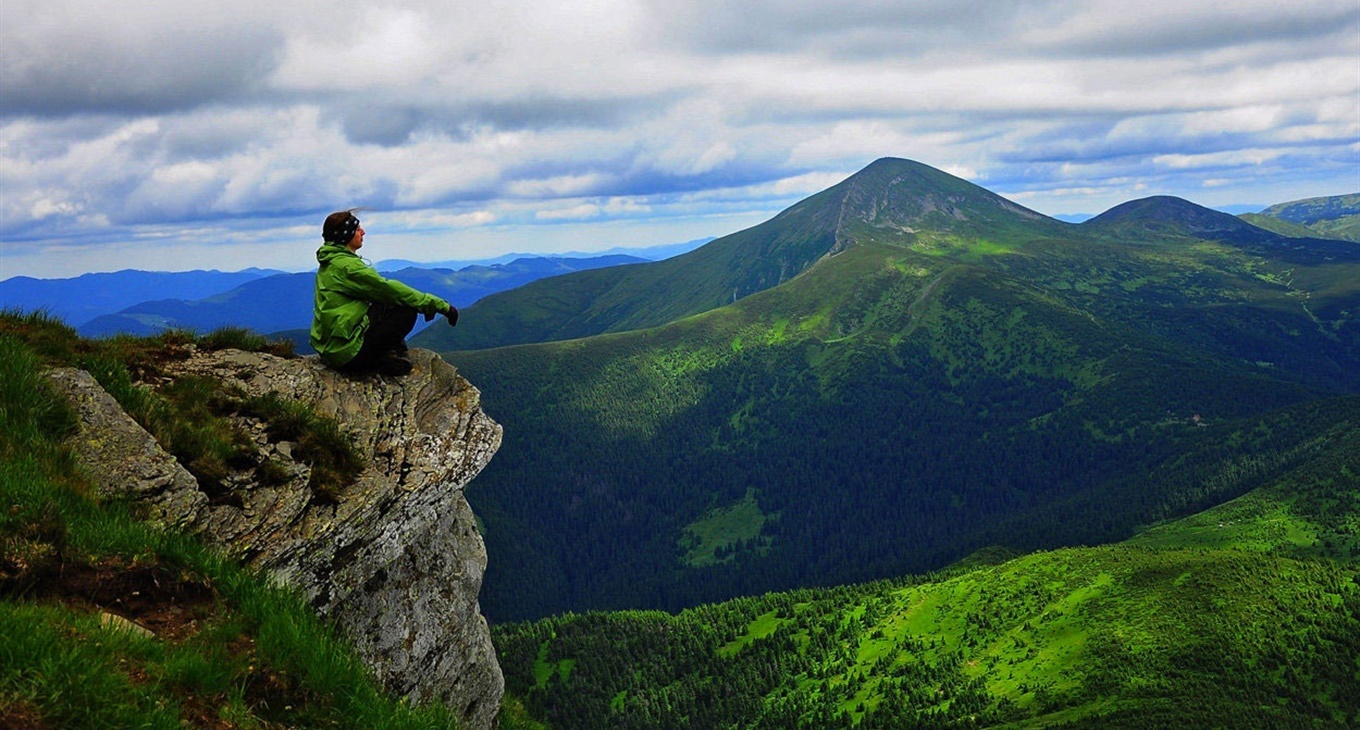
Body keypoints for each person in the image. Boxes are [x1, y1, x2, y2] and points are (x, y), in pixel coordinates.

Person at [309, 210, 458, 376]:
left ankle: (388, 354)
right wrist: (438, 305)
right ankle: (379, 360)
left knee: (386, 303)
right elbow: (389, 290)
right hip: (347, 354)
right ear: (346, 235)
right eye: (357, 229)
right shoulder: (347, 267)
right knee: (406, 310)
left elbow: (383, 294)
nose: (363, 232)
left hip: (332, 349)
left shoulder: (331, 262)